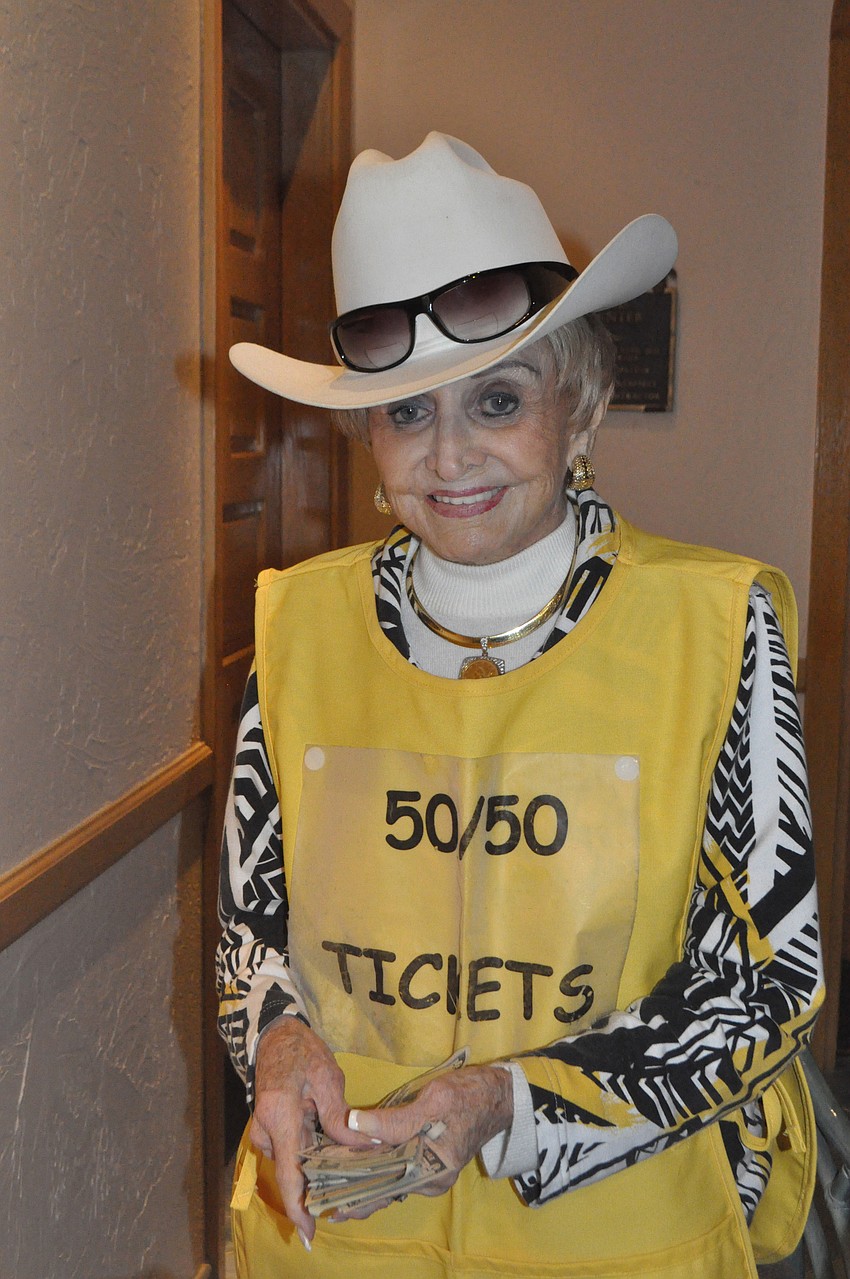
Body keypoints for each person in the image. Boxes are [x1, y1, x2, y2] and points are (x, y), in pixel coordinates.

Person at [217, 132, 823, 1279]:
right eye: (407, 413)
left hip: (618, 1243)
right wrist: (280, 1036)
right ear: (367, 431)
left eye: (496, 399)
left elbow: (762, 983)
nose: (449, 457)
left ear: (577, 404)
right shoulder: (298, 627)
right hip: (346, 1241)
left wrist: (511, 1100)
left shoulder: (713, 626)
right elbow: (253, 933)